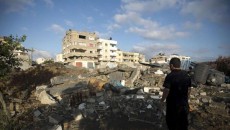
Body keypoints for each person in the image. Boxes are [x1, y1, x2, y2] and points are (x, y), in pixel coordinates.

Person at [161, 57, 191, 130]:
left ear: (171, 65)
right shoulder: (186, 75)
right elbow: (189, 89)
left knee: (172, 124)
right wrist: (186, 99)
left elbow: (166, 90)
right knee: (183, 123)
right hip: (184, 104)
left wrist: (162, 100)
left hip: (173, 105)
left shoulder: (170, 76)